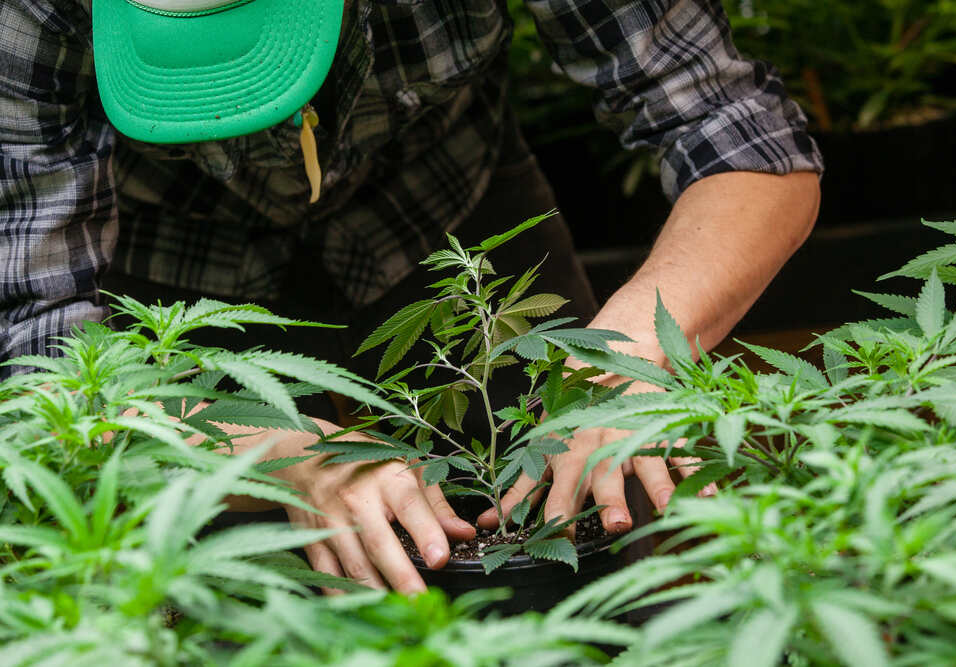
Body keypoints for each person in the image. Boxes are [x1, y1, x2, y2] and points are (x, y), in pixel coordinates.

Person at [0, 0, 822, 593]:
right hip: (172, 282)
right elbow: (41, 354)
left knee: (609, 522)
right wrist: (282, 454)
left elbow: (735, 127)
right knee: (223, 597)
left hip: (452, 218)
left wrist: (640, 349)